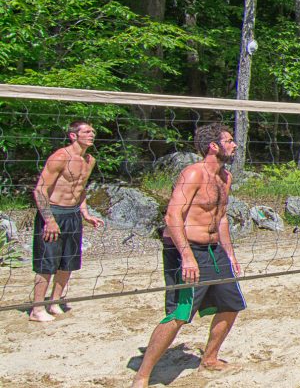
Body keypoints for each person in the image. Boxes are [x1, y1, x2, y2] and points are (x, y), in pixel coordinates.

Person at [132, 123, 244, 388]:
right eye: (229, 141)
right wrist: (187, 256)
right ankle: (142, 376)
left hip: (214, 250)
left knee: (231, 305)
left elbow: (222, 218)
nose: (234, 145)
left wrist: (230, 254)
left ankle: (210, 358)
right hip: (185, 249)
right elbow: (173, 216)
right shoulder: (193, 174)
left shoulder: (225, 177)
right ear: (213, 146)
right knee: (179, 314)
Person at [28, 121, 105, 322]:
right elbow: (40, 189)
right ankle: (37, 309)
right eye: (87, 131)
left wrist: (86, 214)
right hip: (53, 213)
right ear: (73, 136)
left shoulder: (90, 160)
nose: (92, 134)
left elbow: (80, 190)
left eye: (93, 131)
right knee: (47, 263)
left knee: (67, 262)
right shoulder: (60, 156)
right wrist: (49, 220)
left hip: (73, 215)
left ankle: (54, 302)